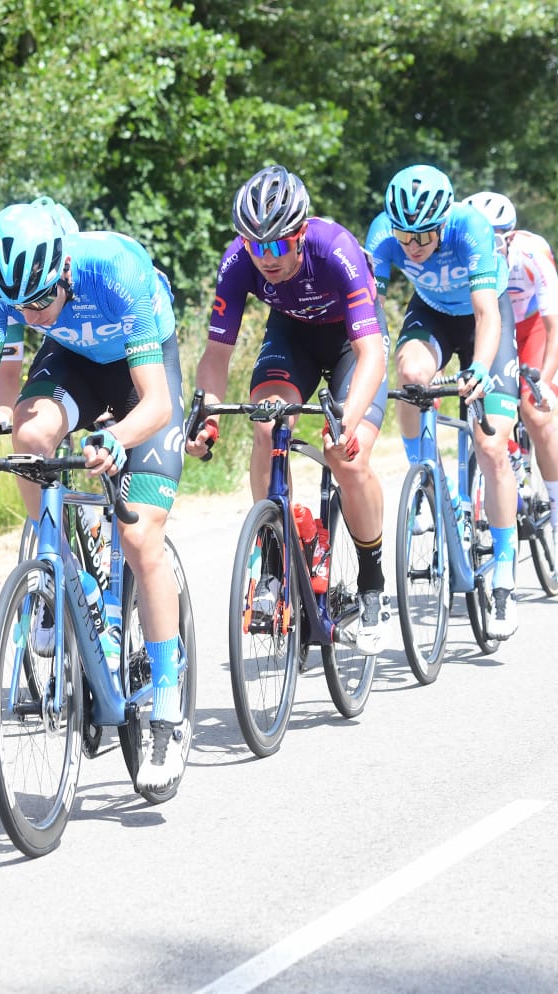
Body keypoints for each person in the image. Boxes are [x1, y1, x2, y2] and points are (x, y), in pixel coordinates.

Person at [0, 197, 189, 791]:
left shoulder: (116, 267)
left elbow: (158, 404)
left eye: (42, 300)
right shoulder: (0, 291)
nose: (33, 316)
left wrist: (115, 438)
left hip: (142, 374)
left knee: (140, 533)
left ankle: (168, 708)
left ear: (64, 270)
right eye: (22, 307)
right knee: (30, 432)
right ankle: (58, 570)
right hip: (75, 363)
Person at [185, 164, 391, 653]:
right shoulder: (238, 263)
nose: (266, 258)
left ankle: (372, 583)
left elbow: (372, 355)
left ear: (300, 235)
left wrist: (347, 420)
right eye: (256, 246)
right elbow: (216, 358)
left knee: (348, 455)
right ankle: (277, 562)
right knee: (265, 423)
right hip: (291, 336)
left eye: (277, 245)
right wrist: (208, 416)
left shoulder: (334, 248)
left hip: (350, 343)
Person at [365, 165, 522, 638]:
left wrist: (478, 368)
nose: (412, 247)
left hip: (483, 319)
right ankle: (425, 482)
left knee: (492, 447)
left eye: (423, 236)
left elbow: (485, 313)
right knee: (411, 375)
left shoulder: (468, 227)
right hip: (430, 313)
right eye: (404, 237)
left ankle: (505, 573)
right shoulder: (382, 235)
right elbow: (366, 309)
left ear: (443, 219)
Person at [463, 191, 558, 577]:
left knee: (535, 412)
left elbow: (556, 326)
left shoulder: (531, 255)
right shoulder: (464, 258)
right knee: (481, 411)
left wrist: (542, 381)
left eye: (495, 240)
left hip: (531, 330)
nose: (487, 247)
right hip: (491, 331)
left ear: (510, 237)